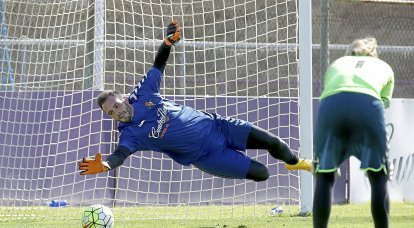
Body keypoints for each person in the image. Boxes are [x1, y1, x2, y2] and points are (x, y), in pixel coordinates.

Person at [79, 20, 312, 182]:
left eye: (116, 105)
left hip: (219, 126)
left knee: (277, 144)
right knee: (262, 173)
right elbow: (120, 154)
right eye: (111, 113)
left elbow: (158, 65)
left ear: (123, 98)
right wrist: (107, 164)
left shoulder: (143, 94)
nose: (117, 113)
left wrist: (168, 43)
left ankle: (295, 162)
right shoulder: (129, 134)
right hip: (207, 156)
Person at [307, 37, 406, 228]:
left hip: (331, 106)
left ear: (350, 53)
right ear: (374, 54)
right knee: (378, 176)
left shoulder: (337, 64)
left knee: (325, 176)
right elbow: (382, 103)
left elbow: (334, 90)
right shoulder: (384, 67)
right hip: (367, 106)